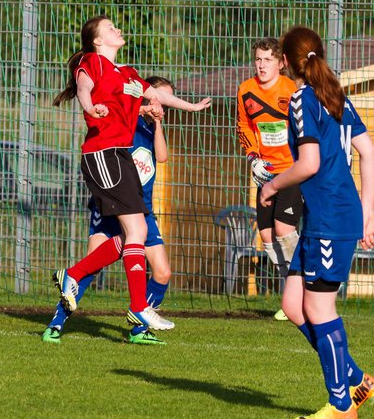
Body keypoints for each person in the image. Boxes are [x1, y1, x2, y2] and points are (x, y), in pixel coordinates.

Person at [51, 17, 211, 345]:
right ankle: (138, 306)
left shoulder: (128, 74)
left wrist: (191, 106)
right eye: (110, 28)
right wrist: (89, 106)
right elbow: (82, 88)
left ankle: (75, 275)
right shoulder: (91, 62)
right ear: (97, 40)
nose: (117, 30)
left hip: (119, 156)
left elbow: (158, 96)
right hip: (102, 154)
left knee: (131, 238)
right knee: (135, 232)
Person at [260, 26, 374, 419]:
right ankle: (355, 378)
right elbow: (368, 151)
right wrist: (367, 211)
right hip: (330, 215)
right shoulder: (335, 96)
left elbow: (309, 163)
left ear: (286, 62)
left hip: (329, 216)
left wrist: (273, 185)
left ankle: (341, 404)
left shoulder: (302, 98)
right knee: (294, 305)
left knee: (318, 306)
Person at [44, 76, 179, 342]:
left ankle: (139, 327)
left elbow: (161, 157)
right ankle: (56, 324)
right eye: (159, 99)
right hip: (111, 204)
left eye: (165, 103)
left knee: (162, 272)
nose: (162, 105)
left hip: (142, 210)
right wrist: (138, 110)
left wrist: (159, 122)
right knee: (91, 265)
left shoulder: (152, 129)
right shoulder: (127, 120)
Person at [236, 38, 301, 319]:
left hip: (291, 169)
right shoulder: (246, 90)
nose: (261, 65)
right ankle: (292, 295)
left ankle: (307, 286)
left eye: (268, 60)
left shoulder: (292, 90)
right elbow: (244, 127)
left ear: (281, 63)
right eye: (258, 60)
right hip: (265, 171)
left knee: (283, 229)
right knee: (266, 235)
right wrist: (253, 158)